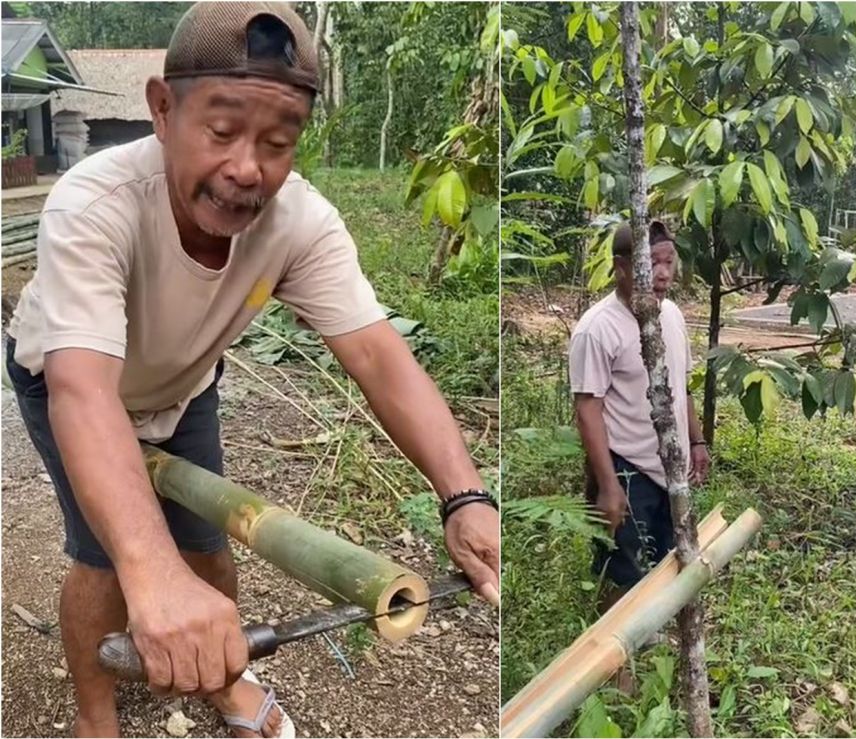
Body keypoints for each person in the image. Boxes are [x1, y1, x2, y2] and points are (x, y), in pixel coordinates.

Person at [5, 4, 499, 738]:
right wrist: (152, 573)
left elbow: (376, 354)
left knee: (207, 547)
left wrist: (465, 496)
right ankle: (93, 712)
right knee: (109, 559)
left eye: (277, 142)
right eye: (223, 130)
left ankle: (225, 679)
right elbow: (84, 390)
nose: (247, 168)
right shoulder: (95, 203)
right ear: (162, 108)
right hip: (69, 385)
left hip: (184, 385)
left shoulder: (301, 223)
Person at [568, 220, 710, 609]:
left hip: (672, 470)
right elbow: (587, 409)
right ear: (622, 266)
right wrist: (608, 484)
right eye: (653, 263)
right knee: (623, 574)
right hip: (626, 469)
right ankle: (617, 665)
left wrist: (696, 441)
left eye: (669, 261)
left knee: (670, 566)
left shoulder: (673, 316)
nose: (663, 273)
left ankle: (657, 651)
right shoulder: (597, 329)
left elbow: (681, 385)